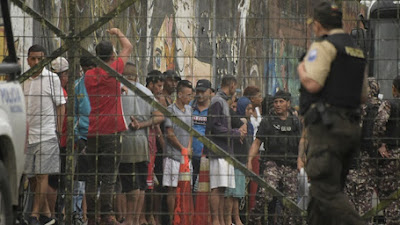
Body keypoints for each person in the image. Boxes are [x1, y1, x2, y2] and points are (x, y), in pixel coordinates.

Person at [297, 2, 367, 224]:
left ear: (317, 25)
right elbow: (363, 95)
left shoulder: (324, 46)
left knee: (324, 191)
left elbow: (313, 84)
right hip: (351, 128)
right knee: (323, 199)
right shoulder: (356, 49)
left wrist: (301, 68)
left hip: (328, 129)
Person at [84, 27, 133, 225]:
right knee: (109, 175)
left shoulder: (88, 75)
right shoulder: (114, 70)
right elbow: (128, 46)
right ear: (112, 55)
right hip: (111, 129)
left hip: (93, 129)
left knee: (92, 176)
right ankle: (107, 214)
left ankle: (92, 216)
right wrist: (118, 31)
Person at [23, 44, 66, 225]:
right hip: (27, 137)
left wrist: (58, 129)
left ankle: (34, 215)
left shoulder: (52, 79)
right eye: (33, 58)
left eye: (40, 59)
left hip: (47, 134)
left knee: (42, 175)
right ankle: (47, 214)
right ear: (28, 60)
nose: (36, 62)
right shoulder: (23, 79)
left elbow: (61, 105)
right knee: (31, 177)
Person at [119, 63, 164, 225]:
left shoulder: (120, 90)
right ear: (136, 76)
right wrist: (143, 124)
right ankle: (136, 219)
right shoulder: (146, 92)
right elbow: (160, 116)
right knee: (140, 183)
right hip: (143, 143)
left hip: (125, 143)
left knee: (129, 185)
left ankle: (129, 219)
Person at [247, 90, 301, 224]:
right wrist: (248, 160)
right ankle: (254, 220)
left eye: (281, 101)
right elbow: (256, 143)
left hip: (291, 165)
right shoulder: (267, 121)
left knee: (290, 202)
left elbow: (302, 143)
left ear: (288, 103)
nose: (277, 104)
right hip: (272, 163)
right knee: (265, 194)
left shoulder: (295, 122)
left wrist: (302, 160)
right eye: (276, 102)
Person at [204, 75, 246, 225]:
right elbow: (215, 127)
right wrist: (235, 133)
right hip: (218, 150)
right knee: (216, 187)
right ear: (232, 85)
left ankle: (221, 220)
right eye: (236, 87)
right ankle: (216, 220)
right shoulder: (217, 101)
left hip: (225, 150)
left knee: (223, 188)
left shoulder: (222, 101)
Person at [163, 79, 193, 223]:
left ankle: (184, 217)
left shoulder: (190, 110)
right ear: (179, 95)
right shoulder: (170, 110)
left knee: (186, 187)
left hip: (186, 155)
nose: (190, 98)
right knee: (172, 188)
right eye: (187, 95)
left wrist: (189, 147)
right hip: (173, 155)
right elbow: (169, 133)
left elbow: (191, 131)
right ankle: (171, 218)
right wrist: (182, 148)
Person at [373, 76, 400, 224]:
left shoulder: (389, 104)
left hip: (392, 155)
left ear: (394, 88)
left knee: (389, 194)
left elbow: (379, 123)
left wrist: (379, 144)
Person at [72, 56, 96, 224]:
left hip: (100, 135)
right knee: (82, 179)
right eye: (84, 68)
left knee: (97, 180)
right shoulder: (77, 86)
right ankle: (81, 215)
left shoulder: (102, 83)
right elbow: (72, 115)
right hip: (83, 137)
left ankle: (93, 216)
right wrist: (78, 139)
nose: (88, 71)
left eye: (90, 67)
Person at [225, 96, 254, 225]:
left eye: (251, 109)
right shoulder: (237, 122)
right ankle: (229, 220)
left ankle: (236, 218)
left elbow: (250, 144)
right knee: (231, 192)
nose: (251, 111)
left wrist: (249, 161)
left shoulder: (250, 124)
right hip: (234, 159)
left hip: (242, 160)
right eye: (248, 109)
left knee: (238, 193)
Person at [48, 56, 69, 220]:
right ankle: (52, 213)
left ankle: (53, 212)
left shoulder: (49, 88)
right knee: (53, 180)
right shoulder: (60, 91)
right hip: (58, 140)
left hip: (54, 139)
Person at [145, 70, 165, 225]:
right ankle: (146, 216)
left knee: (153, 184)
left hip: (153, 146)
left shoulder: (158, 99)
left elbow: (158, 126)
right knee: (144, 184)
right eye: (158, 85)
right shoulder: (146, 97)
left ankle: (152, 216)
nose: (161, 88)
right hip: (146, 145)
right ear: (150, 84)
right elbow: (157, 123)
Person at [191, 79, 212, 192]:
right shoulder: (190, 107)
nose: (200, 94)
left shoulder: (213, 109)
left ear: (209, 92)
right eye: (198, 91)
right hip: (190, 154)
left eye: (203, 92)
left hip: (206, 156)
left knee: (204, 189)